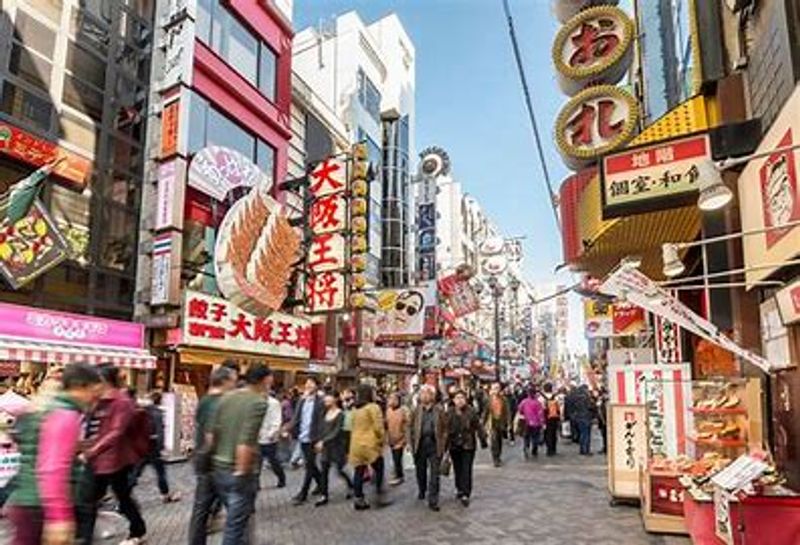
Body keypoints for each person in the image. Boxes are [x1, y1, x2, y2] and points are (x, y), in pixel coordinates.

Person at [7, 363, 102, 545]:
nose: (95, 400)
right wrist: (58, 516)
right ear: (80, 387)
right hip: (39, 507)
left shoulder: (47, 406)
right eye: (94, 392)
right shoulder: (65, 414)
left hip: (28, 502)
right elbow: (53, 469)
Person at [77, 364, 147, 545]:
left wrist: (92, 451)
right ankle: (137, 528)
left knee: (96, 500)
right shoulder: (98, 400)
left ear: (104, 381)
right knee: (97, 499)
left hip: (114, 460)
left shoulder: (122, 402)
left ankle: (136, 530)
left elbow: (116, 432)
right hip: (98, 458)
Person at [209, 364, 271, 545]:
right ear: (265, 379)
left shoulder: (227, 397)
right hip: (239, 471)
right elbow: (247, 439)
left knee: (240, 523)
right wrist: (242, 471)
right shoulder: (258, 402)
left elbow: (211, 434)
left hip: (218, 467)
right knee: (234, 528)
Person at [188, 366, 236, 545]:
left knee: (201, 509)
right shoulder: (219, 403)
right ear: (224, 381)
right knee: (236, 510)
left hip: (205, 462)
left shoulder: (204, 400)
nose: (234, 384)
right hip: (217, 463)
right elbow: (211, 435)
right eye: (232, 380)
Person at [130, 391, 181, 503]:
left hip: (143, 446)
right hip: (153, 447)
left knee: (136, 471)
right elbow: (160, 431)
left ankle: (125, 495)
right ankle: (165, 494)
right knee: (160, 472)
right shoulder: (157, 413)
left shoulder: (143, 410)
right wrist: (161, 447)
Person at [348, 383, 389, 511]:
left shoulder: (354, 409)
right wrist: (382, 440)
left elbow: (350, 427)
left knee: (359, 472)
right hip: (369, 444)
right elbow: (378, 428)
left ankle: (358, 499)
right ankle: (379, 495)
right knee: (379, 467)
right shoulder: (373, 407)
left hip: (355, 445)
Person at [409, 385, 447, 511]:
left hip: (434, 444)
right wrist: (410, 443)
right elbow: (409, 428)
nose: (424, 395)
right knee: (420, 471)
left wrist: (443, 443)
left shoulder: (439, 410)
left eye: (427, 393)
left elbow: (445, 428)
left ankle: (433, 500)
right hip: (420, 444)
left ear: (433, 396)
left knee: (435, 474)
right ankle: (422, 489)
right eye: (422, 393)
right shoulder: (416, 410)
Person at [447, 390, 487, 507]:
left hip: (468, 445)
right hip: (454, 445)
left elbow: (478, 426)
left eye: (462, 398)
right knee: (457, 468)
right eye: (457, 398)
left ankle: (466, 493)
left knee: (466, 469)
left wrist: (483, 439)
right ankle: (459, 488)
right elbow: (445, 429)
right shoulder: (449, 412)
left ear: (465, 399)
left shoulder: (471, 411)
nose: (459, 400)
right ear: (453, 400)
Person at [290, 378, 325, 506]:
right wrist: (287, 429)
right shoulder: (302, 400)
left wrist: (321, 440)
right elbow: (296, 417)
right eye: (307, 383)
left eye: (311, 383)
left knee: (309, 466)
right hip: (302, 436)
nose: (308, 385)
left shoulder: (320, 402)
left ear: (317, 386)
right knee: (311, 465)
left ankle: (303, 493)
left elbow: (322, 422)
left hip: (313, 438)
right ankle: (322, 484)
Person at [315, 392, 353, 506]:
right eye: (325, 400)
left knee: (339, 470)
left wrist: (323, 441)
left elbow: (336, 432)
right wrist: (319, 440)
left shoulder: (340, 414)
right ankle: (324, 495)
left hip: (336, 447)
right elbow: (321, 428)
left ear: (335, 399)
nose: (325, 401)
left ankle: (351, 486)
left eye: (328, 399)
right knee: (324, 471)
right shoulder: (324, 412)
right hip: (326, 447)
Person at [258, 388, 286, 489]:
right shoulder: (256, 402)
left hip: (270, 438)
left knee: (273, 460)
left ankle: (281, 478)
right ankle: (256, 484)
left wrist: (272, 433)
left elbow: (277, 420)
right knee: (258, 462)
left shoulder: (274, 403)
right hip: (258, 437)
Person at [385, 392, 409, 486]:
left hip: (400, 439)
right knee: (395, 458)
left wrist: (406, 439)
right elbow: (386, 424)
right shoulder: (388, 411)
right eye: (390, 399)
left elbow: (407, 425)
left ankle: (399, 476)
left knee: (397, 458)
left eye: (394, 399)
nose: (392, 401)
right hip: (391, 438)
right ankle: (397, 473)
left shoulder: (403, 411)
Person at [518, 388, 545, 459]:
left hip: (526, 422)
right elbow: (540, 414)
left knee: (526, 437)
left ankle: (526, 448)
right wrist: (542, 423)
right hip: (536, 423)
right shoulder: (538, 403)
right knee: (535, 437)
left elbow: (520, 410)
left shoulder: (524, 402)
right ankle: (534, 450)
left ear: (528, 393)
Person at [487, 383, 509, 467]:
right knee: (494, 441)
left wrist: (509, 423)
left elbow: (507, 412)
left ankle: (498, 455)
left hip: (501, 423)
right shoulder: (488, 400)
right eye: (494, 388)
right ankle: (495, 458)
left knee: (499, 441)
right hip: (492, 423)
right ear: (492, 389)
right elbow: (485, 412)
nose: (496, 390)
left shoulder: (504, 399)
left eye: (497, 388)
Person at [573, 384, 596, 456]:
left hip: (579, 418)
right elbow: (591, 407)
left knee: (582, 434)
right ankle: (586, 450)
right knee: (586, 434)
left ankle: (582, 449)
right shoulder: (587, 398)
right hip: (586, 417)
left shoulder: (576, 398)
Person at [542, 383, 561, 457]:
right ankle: (553, 448)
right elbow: (558, 408)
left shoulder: (541, 397)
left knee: (547, 433)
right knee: (554, 433)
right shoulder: (556, 397)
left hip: (546, 417)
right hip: (554, 417)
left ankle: (549, 449)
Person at [596, 387, 609, 455]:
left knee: (605, 435)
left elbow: (599, 411)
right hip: (604, 421)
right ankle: (605, 448)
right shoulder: (602, 401)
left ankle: (606, 448)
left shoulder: (602, 401)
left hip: (605, 421)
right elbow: (599, 411)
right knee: (604, 435)